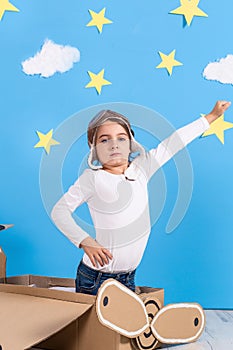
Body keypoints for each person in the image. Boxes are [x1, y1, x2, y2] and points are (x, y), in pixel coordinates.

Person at [51, 101, 231, 295]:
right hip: (96, 278)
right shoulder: (92, 178)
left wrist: (211, 117)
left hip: (128, 276)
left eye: (121, 138)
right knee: (95, 325)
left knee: (125, 324)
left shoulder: (142, 167)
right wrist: (84, 240)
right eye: (104, 140)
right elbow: (59, 211)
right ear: (93, 148)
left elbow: (174, 143)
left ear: (130, 143)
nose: (113, 145)